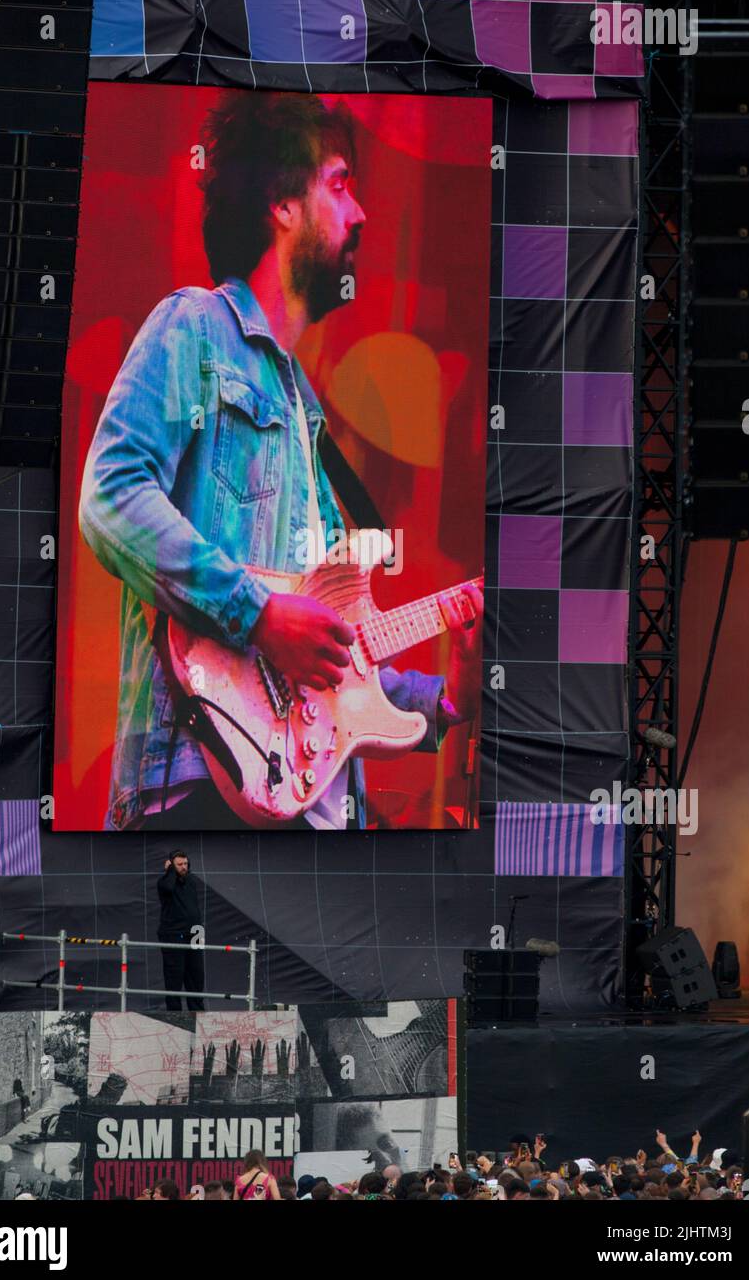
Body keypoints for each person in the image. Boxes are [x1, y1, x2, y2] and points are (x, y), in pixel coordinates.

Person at [80, 90, 482, 834]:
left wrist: (440, 693)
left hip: (314, 818)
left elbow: (331, 651)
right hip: (202, 789)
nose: (360, 214)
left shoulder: (309, 417)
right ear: (281, 205)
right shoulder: (195, 327)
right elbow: (110, 499)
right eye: (338, 184)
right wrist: (259, 614)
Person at [157, 851, 204, 1011]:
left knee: (196, 974)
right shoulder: (164, 882)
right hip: (173, 933)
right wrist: (170, 872)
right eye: (179, 865)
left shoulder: (191, 881)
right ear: (171, 865)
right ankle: (174, 1013)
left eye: (186, 864)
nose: (184, 867)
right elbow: (169, 888)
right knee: (174, 976)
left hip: (195, 933)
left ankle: (197, 1009)